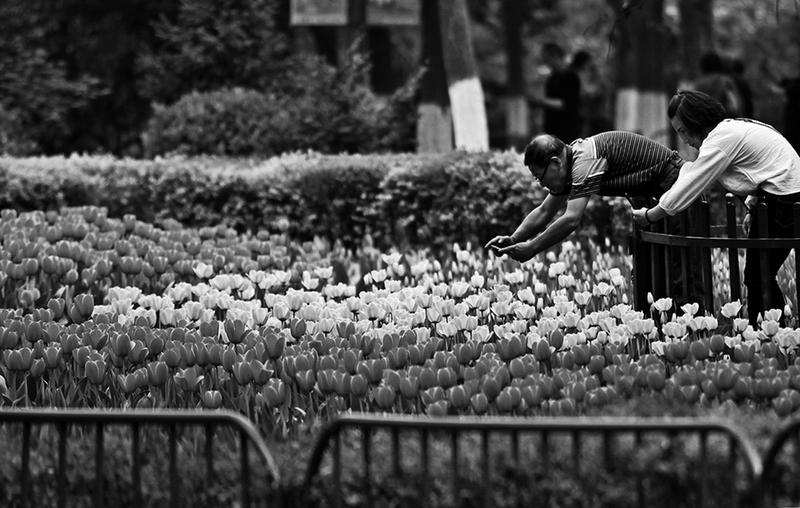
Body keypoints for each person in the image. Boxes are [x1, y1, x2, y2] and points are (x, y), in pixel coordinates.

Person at [632, 90, 800, 325]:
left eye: (682, 130)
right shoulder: (730, 130)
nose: (683, 139)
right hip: (781, 197)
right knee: (758, 274)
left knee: (757, 274)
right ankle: (775, 330)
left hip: (784, 201)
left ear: (696, 122)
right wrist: (754, 205)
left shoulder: (722, 139)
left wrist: (651, 215)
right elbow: (759, 167)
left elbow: (692, 182)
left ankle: (773, 333)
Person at [486, 130, 684, 262]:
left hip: (671, 179)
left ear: (555, 163)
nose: (541, 184)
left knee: (677, 260)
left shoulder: (584, 162)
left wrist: (532, 248)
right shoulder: (570, 164)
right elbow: (545, 211)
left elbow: (571, 219)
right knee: (654, 263)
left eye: (540, 177)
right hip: (651, 190)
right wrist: (513, 239)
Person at [535, 43, 581, 143]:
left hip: (567, 130)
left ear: (555, 56)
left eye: (547, 59)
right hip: (551, 131)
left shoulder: (571, 77)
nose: (546, 63)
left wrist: (542, 100)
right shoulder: (552, 78)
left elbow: (566, 104)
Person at [569, 50, 613, 137]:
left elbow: (593, 93)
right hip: (587, 120)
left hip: (598, 119)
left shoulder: (595, 78)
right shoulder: (577, 76)